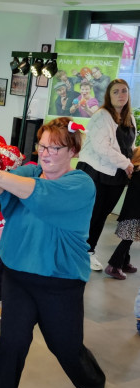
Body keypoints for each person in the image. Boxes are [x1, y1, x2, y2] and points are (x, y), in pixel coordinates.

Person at [0, 117, 106, 388]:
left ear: (72, 151)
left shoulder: (81, 184)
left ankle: (92, 384)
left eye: (54, 148)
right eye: (42, 146)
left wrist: (0, 175)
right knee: (12, 343)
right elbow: (0, 189)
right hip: (18, 275)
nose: (46, 153)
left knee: (65, 345)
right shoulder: (29, 172)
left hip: (61, 282)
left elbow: (39, 193)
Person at [77, 79, 136, 271]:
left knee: (102, 216)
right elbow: (102, 148)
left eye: (124, 91)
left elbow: (128, 146)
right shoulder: (101, 116)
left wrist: (132, 161)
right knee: (91, 215)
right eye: (116, 92)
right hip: (96, 172)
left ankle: (89, 251)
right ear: (108, 96)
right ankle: (81, 252)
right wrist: (126, 163)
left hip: (116, 175)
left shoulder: (129, 117)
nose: (121, 95)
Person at [105, 147, 140, 279]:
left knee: (129, 238)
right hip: (135, 213)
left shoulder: (135, 172)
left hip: (131, 212)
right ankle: (113, 266)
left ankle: (124, 262)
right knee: (127, 240)